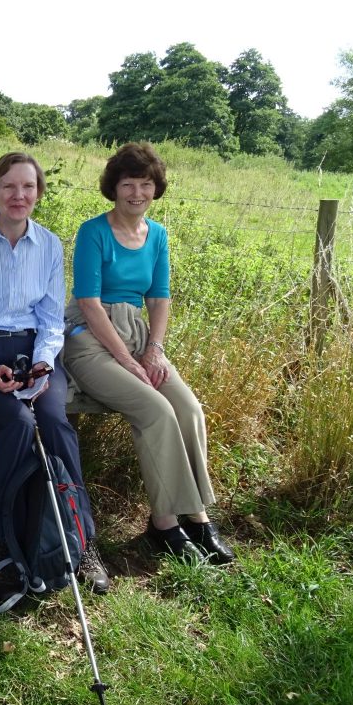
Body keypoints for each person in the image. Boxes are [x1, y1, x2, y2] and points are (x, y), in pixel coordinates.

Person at [63, 142, 234, 565]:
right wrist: (126, 360)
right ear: (113, 188)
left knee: (189, 409)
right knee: (156, 411)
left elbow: (158, 298)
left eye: (145, 184)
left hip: (138, 335)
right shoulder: (93, 232)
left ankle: (197, 516)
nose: (137, 193)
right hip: (91, 338)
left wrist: (154, 351)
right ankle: (165, 522)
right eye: (128, 184)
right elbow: (88, 302)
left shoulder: (157, 235)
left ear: (156, 188)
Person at [0, 152, 110, 595]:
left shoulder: (51, 246)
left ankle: (81, 540)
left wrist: (42, 364)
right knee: (18, 423)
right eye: (9, 186)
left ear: (38, 193)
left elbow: (51, 319)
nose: (18, 195)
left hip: (36, 350)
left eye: (28, 187)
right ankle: (7, 539)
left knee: (56, 423)